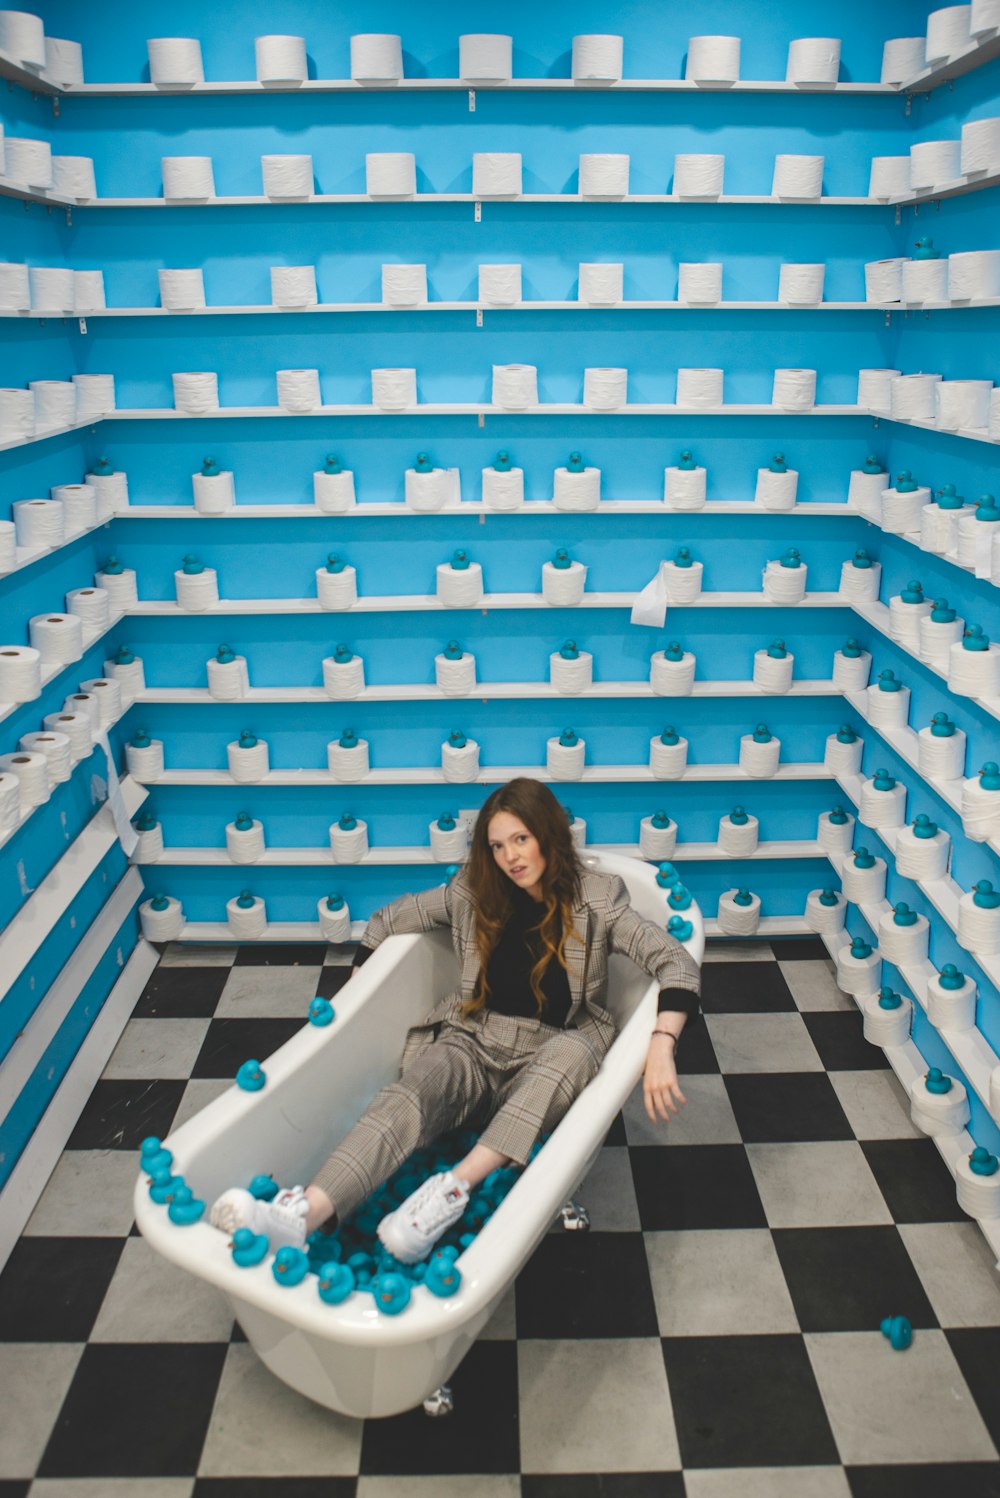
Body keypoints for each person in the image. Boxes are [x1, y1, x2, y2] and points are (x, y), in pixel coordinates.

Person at [210, 777, 700, 1263]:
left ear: (548, 833)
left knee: (571, 1053)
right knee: (406, 1097)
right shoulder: (472, 893)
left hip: (555, 1043)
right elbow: (386, 921)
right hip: (474, 1038)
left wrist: (660, 1043)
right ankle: (301, 1217)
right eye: (498, 845)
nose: (511, 857)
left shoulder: (597, 899)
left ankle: (448, 1190)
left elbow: (675, 961)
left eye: (521, 839)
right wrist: (352, 1002)